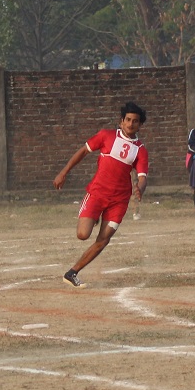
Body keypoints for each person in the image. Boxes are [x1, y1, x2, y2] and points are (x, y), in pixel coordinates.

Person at [53, 102, 148, 288]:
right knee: (82, 235)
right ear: (121, 121)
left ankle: (72, 273)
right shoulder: (106, 136)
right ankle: (94, 216)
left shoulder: (140, 150)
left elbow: (143, 176)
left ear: (139, 125)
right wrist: (64, 172)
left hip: (119, 201)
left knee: (104, 239)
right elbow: (82, 151)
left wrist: (140, 188)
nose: (130, 124)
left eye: (135, 121)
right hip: (97, 193)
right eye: (128, 120)